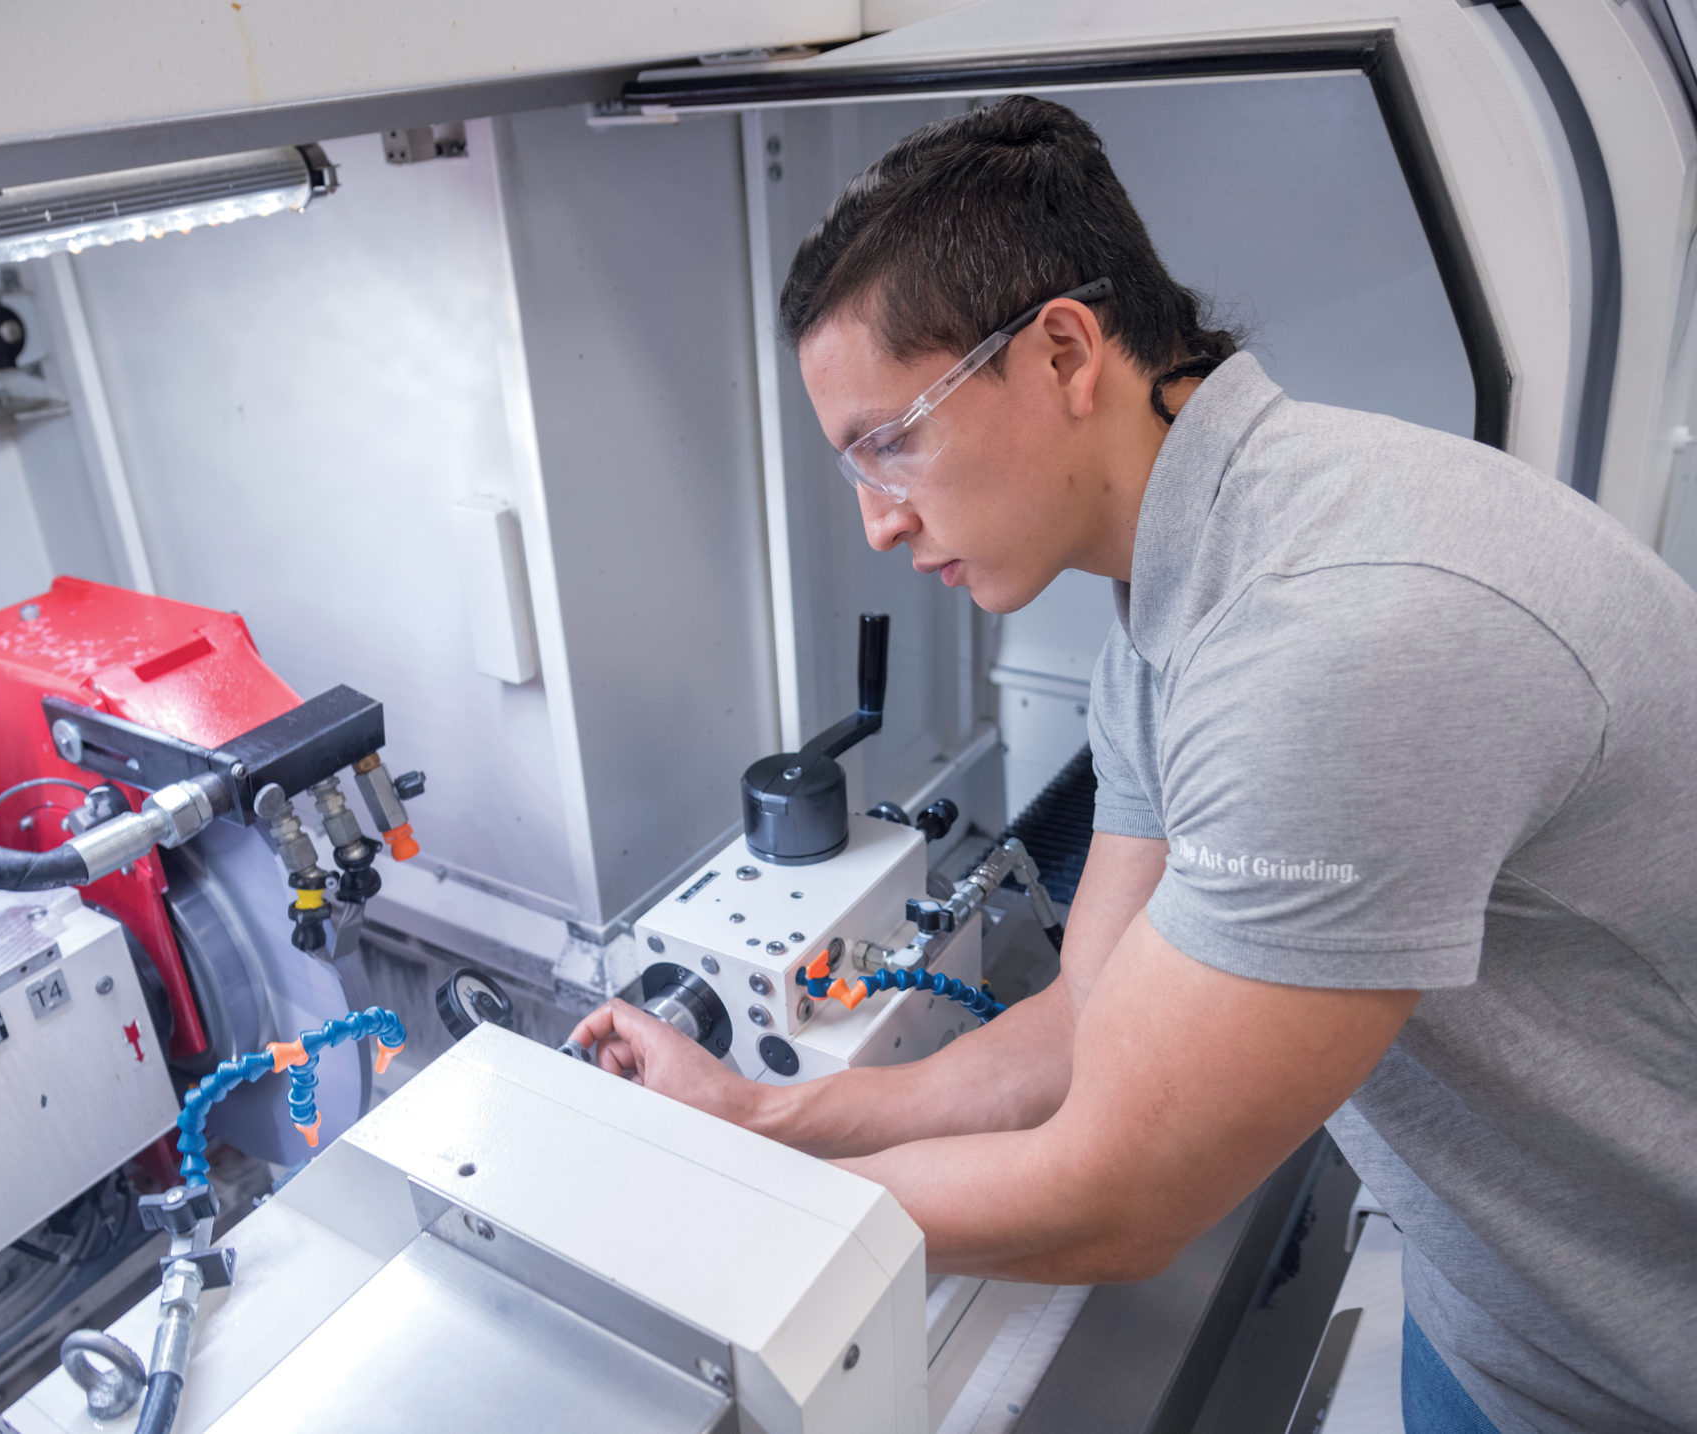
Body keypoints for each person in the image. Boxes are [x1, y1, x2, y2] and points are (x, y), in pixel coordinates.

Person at [568, 97, 1697, 1434]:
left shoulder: (1338, 633)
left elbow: (1123, 1191)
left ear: (1059, 352)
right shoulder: (1176, 601)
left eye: (890, 442)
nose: (877, 522)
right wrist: (774, 1115)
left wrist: (712, 1201)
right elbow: (1091, 1014)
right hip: (1506, 1313)